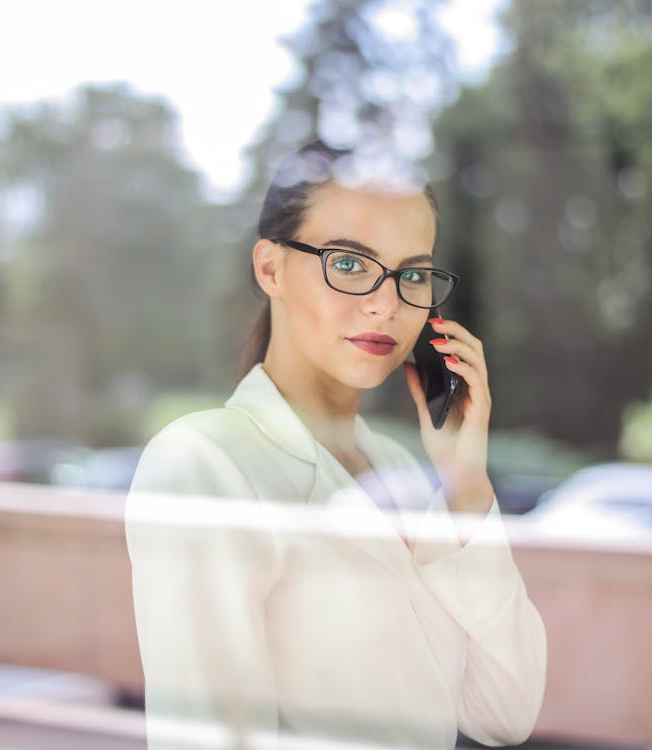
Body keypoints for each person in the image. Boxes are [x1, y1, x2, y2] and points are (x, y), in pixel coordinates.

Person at [125, 142, 547, 750]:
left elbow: (502, 715)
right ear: (270, 268)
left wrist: (467, 487)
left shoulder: (401, 470)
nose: (388, 302)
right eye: (349, 263)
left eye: (413, 274)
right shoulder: (204, 463)